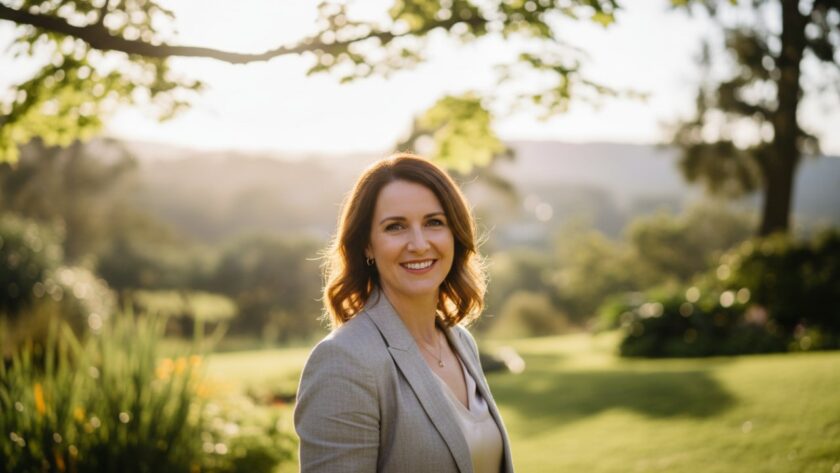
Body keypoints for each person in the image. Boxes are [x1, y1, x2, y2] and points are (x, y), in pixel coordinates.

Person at [294, 153, 514, 472]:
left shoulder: (460, 341)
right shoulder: (343, 360)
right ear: (367, 245)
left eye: (434, 222)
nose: (419, 243)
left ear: (455, 233)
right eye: (395, 227)